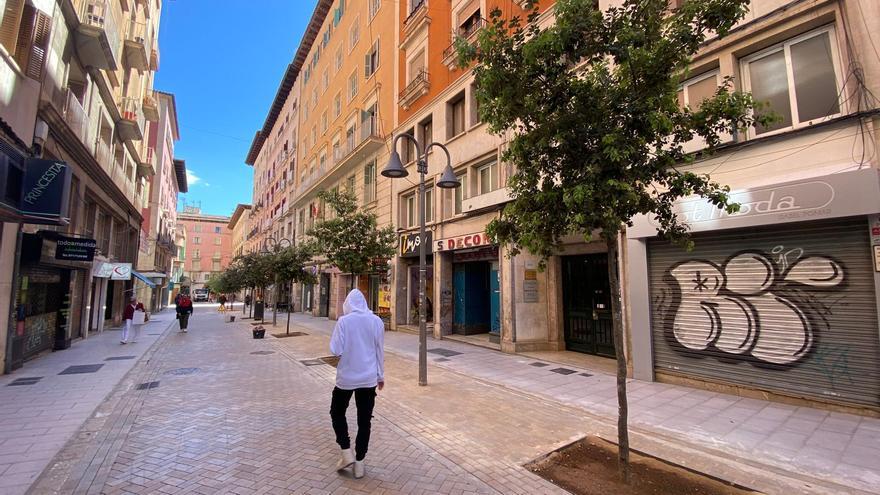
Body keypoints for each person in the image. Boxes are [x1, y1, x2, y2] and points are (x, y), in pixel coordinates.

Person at [329, 289, 385, 479]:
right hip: (369, 378)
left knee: (337, 412)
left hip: (346, 378)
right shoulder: (376, 321)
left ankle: (346, 452)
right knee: (364, 421)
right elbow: (379, 351)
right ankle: (360, 463)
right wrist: (380, 376)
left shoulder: (344, 322)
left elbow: (335, 350)